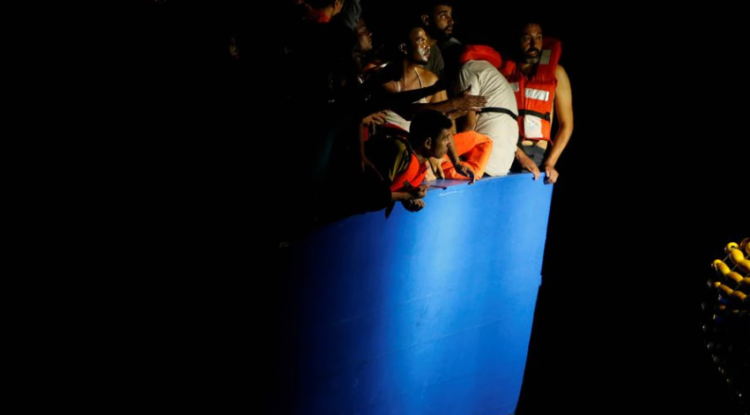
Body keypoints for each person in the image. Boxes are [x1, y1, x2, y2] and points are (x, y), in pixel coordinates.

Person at [500, 22, 573, 184]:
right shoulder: (502, 74)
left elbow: (567, 125)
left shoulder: (557, 73)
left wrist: (550, 163)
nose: (533, 44)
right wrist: (519, 154)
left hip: (536, 156)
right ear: (517, 41)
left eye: (538, 38)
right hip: (506, 150)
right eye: (527, 38)